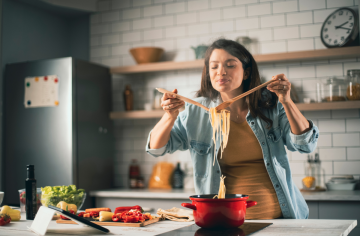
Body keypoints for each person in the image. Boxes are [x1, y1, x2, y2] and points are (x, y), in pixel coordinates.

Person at [146, 39, 319, 219]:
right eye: (214, 67)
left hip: (283, 219)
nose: (221, 71)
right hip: (224, 221)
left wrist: (286, 101)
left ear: (246, 72)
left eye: (230, 65)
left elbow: (305, 145)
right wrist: (169, 116)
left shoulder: (271, 104)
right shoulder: (196, 111)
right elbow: (157, 148)